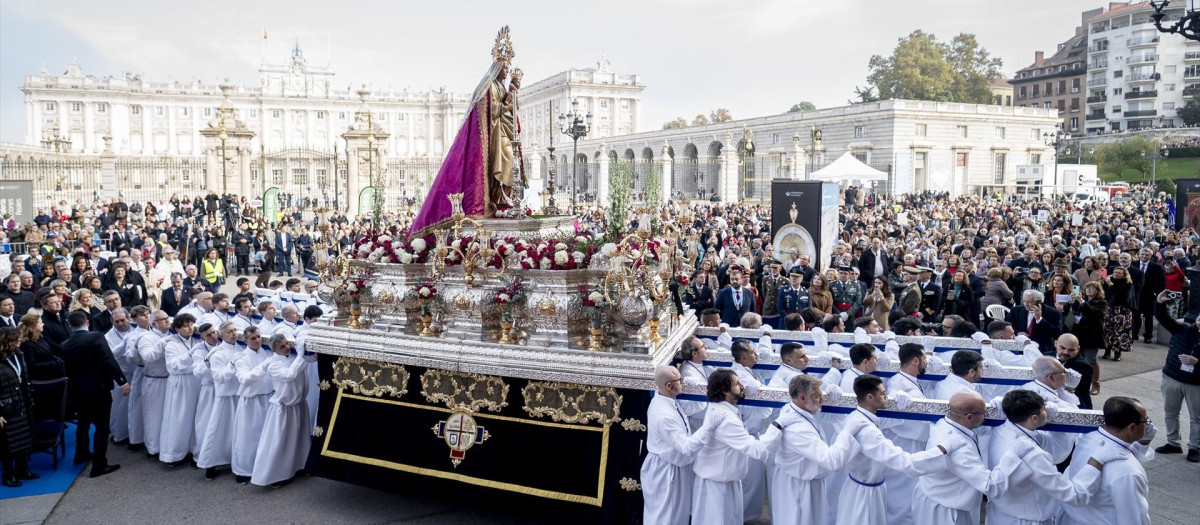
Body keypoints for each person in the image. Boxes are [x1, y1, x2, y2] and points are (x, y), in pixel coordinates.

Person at [985, 389, 1114, 525]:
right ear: (1034, 418)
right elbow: (1075, 496)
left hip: (998, 515)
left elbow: (1055, 447)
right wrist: (1095, 462)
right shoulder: (1033, 455)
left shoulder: (999, 430)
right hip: (1026, 520)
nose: (1047, 411)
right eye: (1044, 410)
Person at [836, 374, 950, 525]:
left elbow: (887, 420)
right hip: (864, 496)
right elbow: (901, 460)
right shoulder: (867, 431)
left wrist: (899, 402)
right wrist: (938, 452)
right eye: (883, 393)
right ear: (870, 397)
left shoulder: (860, 415)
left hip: (867, 489)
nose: (887, 397)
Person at [912, 391, 1024, 525]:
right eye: (984, 413)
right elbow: (990, 486)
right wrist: (1014, 456)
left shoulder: (944, 422)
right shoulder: (961, 450)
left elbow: (976, 429)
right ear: (969, 417)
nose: (987, 416)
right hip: (946, 514)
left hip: (931, 498)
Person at [690, 369, 783, 524]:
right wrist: (780, 424)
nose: (742, 386)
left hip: (723, 481)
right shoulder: (727, 419)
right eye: (736, 383)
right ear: (726, 391)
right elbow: (758, 451)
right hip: (718, 486)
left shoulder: (723, 409)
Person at [770, 374, 857, 525]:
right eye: (817, 396)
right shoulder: (798, 430)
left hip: (808, 483)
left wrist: (832, 396)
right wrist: (848, 431)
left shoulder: (799, 410)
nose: (822, 400)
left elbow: (825, 414)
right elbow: (832, 462)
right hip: (800, 488)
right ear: (803, 398)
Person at [1060, 397, 1155, 525]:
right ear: (1132, 427)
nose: (1147, 426)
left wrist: (1143, 442)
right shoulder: (1128, 472)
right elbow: (1133, 519)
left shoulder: (1086, 438)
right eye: (1146, 421)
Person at [640, 365, 714, 525]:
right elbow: (686, 447)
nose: (683, 383)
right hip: (667, 471)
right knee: (667, 517)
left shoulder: (667, 400)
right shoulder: (663, 414)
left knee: (676, 514)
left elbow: (692, 409)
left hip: (674, 465)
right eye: (680, 380)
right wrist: (709, 426)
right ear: (669, 385)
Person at [59, 310, 128, 478]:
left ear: (70, 327)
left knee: (83, 423)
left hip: (78, 390)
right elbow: (108, 360)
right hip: (98, 389)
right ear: (87, 323)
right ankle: (99, 465)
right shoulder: (96, 337)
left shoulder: (65, 344)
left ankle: (80, 453)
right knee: (102, 427)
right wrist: (122, 381)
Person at [250, 332, 316, 488]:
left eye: (287, 343)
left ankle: (300, 466)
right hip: (284, 407)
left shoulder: (293, 356)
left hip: (299, 404)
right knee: (281, 442)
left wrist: (303, 345)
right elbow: (289, 375)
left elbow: (313, 358)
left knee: (300, 439)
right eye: (282, 346)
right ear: (274, 349)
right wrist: (300, 355)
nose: (287, 347)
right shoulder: (273, 363)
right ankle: (277, 475)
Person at [1152, 290, 1200, 462]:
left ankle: (1195, 447)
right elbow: (1163, 318)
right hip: (1171, 377)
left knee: (1197, 417)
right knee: (1170, 412)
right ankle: (1173, 443)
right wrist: (1159, 302)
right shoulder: (1182, 329)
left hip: (1195, 382)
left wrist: (1197, 362)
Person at [197, 322, 241, 480]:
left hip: (240, 395)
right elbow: (218, 376)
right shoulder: (217, 353)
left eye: (235, 330)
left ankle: (239, 462)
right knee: (218, 431)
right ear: (221, 335)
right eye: (229, 331)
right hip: (225, 397)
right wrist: (232, 365)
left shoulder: (241, 348)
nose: (234, 333)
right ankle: (210, 463)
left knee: (239, 431)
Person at [232, 326, 273, 485]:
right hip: (251, 402)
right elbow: (245, 379)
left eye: (258, 337)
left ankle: (265, 470)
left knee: (267, 437)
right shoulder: (241, 358)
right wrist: (263, 366)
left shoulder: (267, 353)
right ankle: (244, 470)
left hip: (268, 399)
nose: (257, 340)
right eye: (253, 338)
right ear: (245, 340)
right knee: (248, 438)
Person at [159, 313, 199, 466]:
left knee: (195, 416)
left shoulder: (196, 340)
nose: (190, 328)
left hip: (195, 380)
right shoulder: (171, 344)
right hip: (180, 382)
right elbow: (173, 366)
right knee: (178, 417)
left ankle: (194, 450)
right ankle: (174, 454)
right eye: (186, 326)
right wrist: (190, 354)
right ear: (177, 329)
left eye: (191, 324)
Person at [0, 327, 38, 487]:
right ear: (7, 341)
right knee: (8, 443)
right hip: (6, 407)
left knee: (23, 438)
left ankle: (23, 469)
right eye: (16, 339)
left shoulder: (18, 354)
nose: (19, 341)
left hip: (22, 402)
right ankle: (8, 475)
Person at [137, 310, 172, 458]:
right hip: (155, 380)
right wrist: (163, 343)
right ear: (153, 324)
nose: (167, 321)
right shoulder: (146, 338)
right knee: (154, 415)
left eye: (167, 318)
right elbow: (148, 356)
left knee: (169, 415)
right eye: (162, 319)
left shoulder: (172, 334)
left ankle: (168, 446)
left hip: (171, 380)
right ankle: (153, 447)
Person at [102, 308, 138, 446]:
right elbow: (109, 356)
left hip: (137, 373)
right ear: (112, 322)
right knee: (119, 406)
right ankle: (120, 434)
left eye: (123, 320)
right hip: (121, 375)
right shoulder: (107, 337)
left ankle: (136, 434)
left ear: (128, 318)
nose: (120, 324)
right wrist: (123, 347)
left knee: (137, 405)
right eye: (116, 321)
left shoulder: (136, 329)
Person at [1067, 281, 1107, 397]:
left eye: (1092, 288)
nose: (1089, 290)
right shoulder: (1083, 300)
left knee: (1091, 359)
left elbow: (1095, 314)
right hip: (1079, 334)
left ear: (1098, 291)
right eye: (1087, 288)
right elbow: (1074, 313)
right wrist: (1073, 302)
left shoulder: (1101, 302)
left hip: (1092, 335)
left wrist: (1081, 302)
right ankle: (1081, 382)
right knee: (1080, 359)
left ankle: (1095, 383)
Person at [1007, 290, 1062, 356]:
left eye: (1030, 302)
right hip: (1019, 347)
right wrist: (1017, 333)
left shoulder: (1053, 313)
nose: (1026, 304)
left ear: (1039, 302)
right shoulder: (1016, 310)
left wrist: (1040, 319)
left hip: (1041, 349)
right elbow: (1007, 326)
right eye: (1024, 301)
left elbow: (1057, 333)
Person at [17, 312, 64, 380]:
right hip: (41, 379)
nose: (43, 324)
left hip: (52, 375)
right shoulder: (26, 344)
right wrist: (53, 363)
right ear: (33, 326)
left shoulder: (40, 337)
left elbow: (49, 353)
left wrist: (57, 359)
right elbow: (31, 365)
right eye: (40, 323)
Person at [1102, 266, 1135, 361]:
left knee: (1119, 332)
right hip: (1110, 309)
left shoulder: (1127, 284)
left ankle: (1117, 353)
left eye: (1119, 273)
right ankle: (1107, 351)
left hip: (1122, 310)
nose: (1116, 274)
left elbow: (1121, 297)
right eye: (1115, 272)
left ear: (1124, 275)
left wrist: (1111, 285)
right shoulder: (1109, 282)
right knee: (1108, 330)